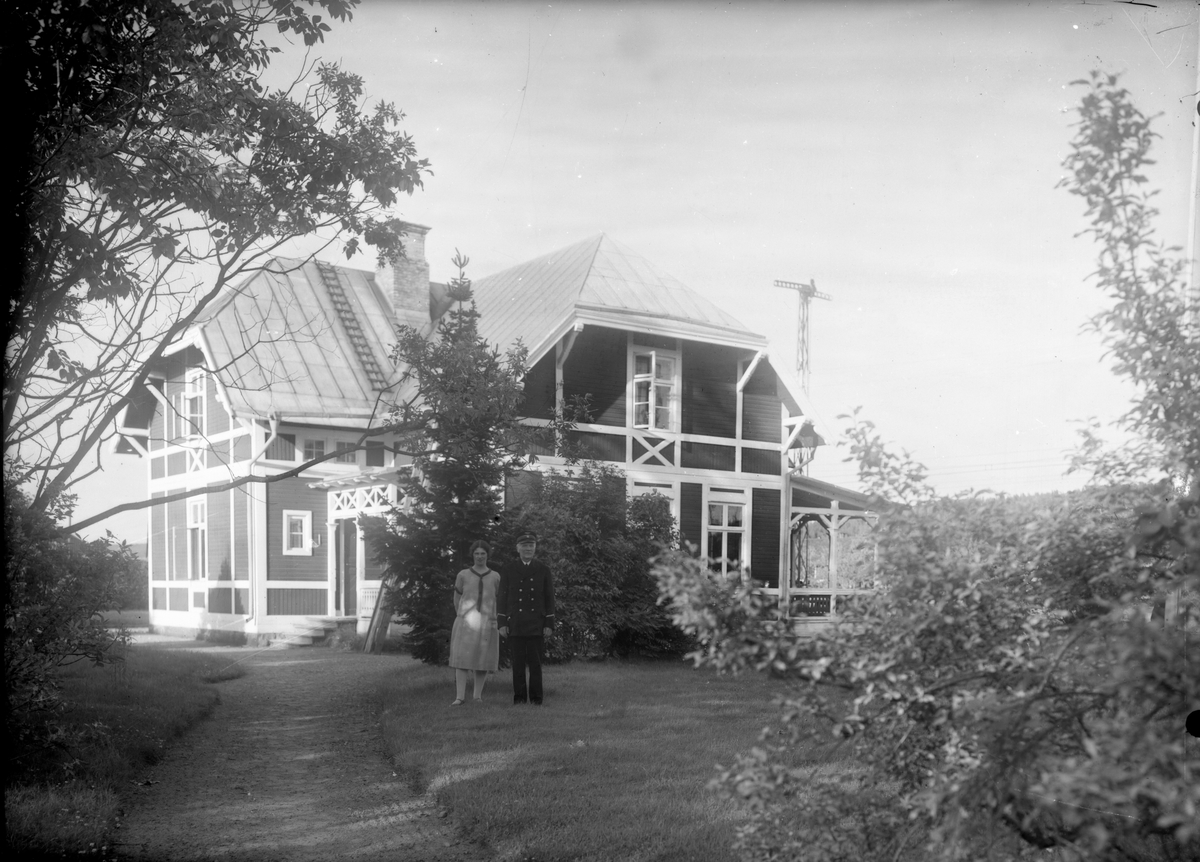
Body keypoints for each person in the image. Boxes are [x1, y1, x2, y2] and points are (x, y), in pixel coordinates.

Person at [496, 530, 555, 705]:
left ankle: (537, 699)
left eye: (531, 545)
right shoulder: (508, 569)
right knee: (518, 664)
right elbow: (502, 598)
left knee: (536, 664)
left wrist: (549, 623)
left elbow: (549, 598)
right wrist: (501, 623)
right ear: (518, 548)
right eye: (524, 546)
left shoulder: (543, 570)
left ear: (535, 548)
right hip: (516, 623)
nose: (528, 549)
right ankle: (519, 698)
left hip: (537, 623)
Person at [448, 540, 500, 705]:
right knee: (462, 659)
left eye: (483, 553)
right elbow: (457, 599)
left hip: (487, 623)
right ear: (472, 555)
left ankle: (477, 696)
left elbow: (498, 599)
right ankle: (460, 697)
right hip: (466, 623)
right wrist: (462, 615)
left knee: (483, 659)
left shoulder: (495, 576)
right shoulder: (463, 575)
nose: (479, 557)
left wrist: (493, 618)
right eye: (476, 553)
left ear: (487, 555)